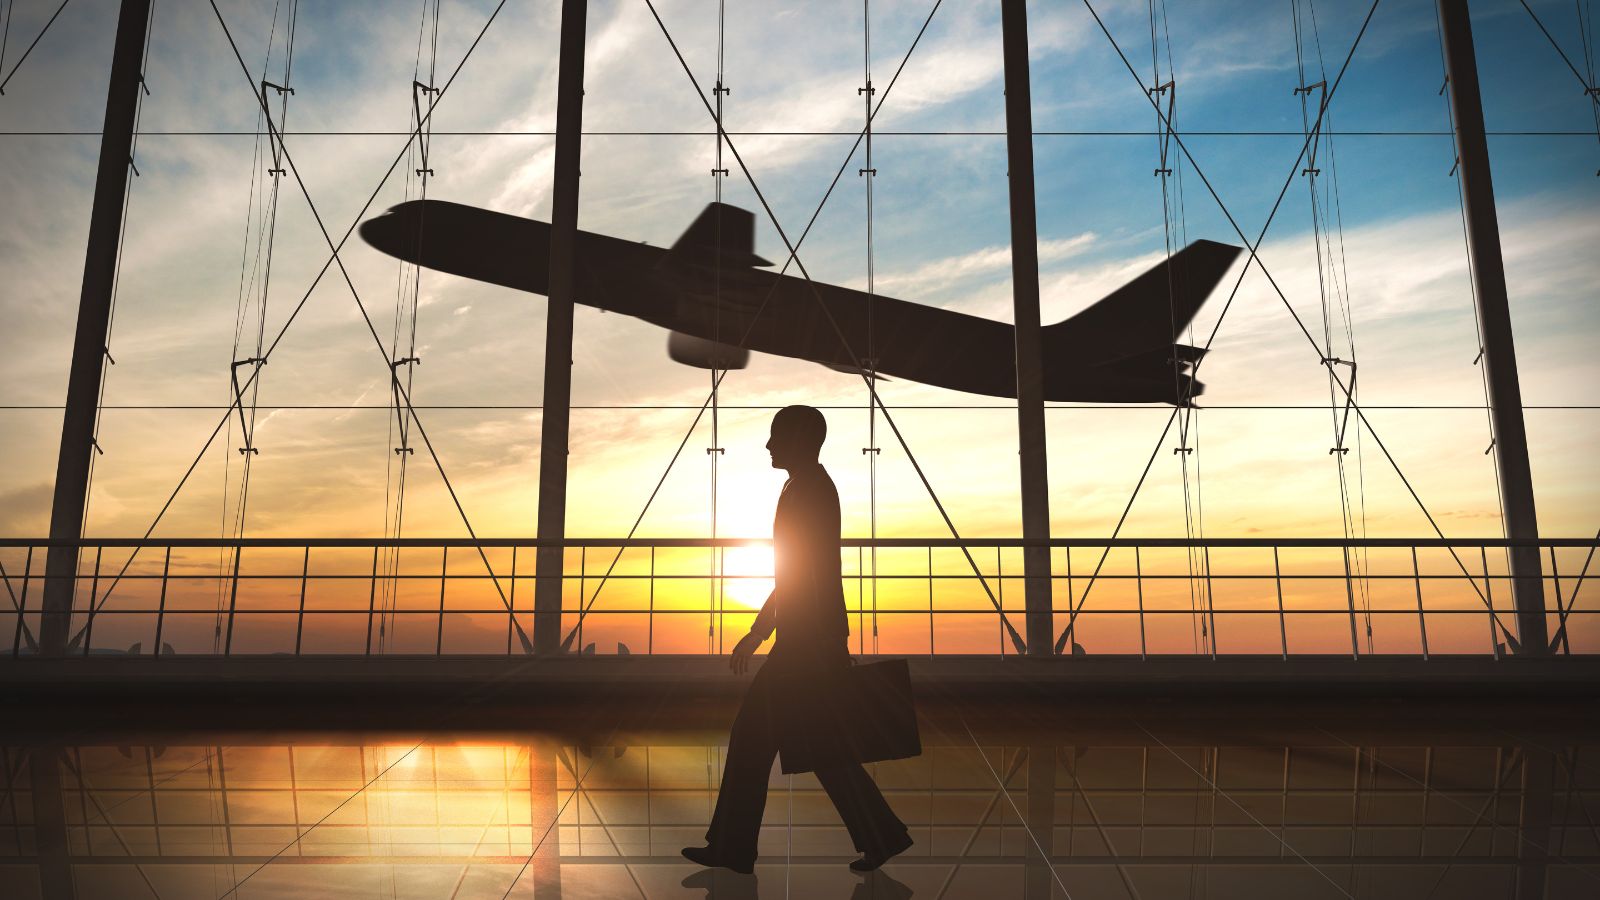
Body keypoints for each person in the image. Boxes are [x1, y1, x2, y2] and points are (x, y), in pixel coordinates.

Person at [682, 405, 912, 875]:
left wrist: (759, 632)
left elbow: (794, 574)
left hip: (806, 643)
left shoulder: (808, 492)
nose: (768, 445)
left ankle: (733, 848)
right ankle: (882, 836)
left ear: (800, 441)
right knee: (820, 744)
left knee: (755, 737)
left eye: (775, 437)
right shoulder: (806, 488)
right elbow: (794, 572)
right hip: (812, 639)